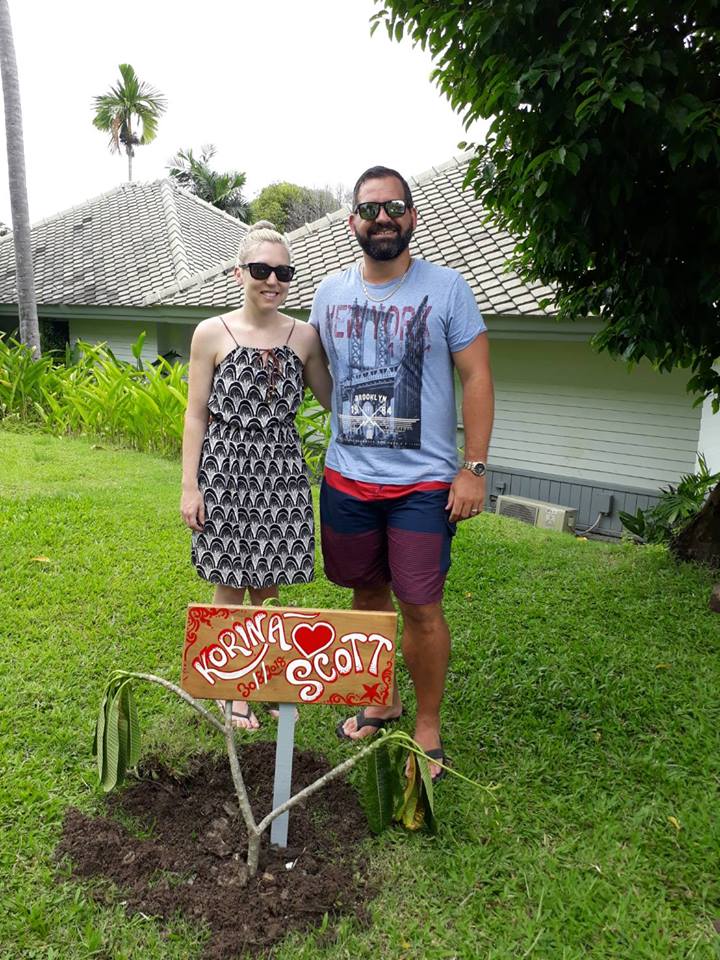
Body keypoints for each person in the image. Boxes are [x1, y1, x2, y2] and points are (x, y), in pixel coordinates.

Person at [309, 166, 494, 780]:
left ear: (411, 216)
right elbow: (317, 371)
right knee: (366, 595)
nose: (381, 218)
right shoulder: (329, 294)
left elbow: (477, 378)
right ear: (351, 222)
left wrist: (473, 468)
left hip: (423, 484)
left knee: (420, 606)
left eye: (394, 207)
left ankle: (427, 726)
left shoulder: (447, 290)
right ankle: (378, 698)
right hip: (347, 478)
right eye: (369, 209)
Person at [181, 221, 331, 729]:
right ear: (239, 271)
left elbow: (334, 398)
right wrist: (189, 486)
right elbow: (196, 413)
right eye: (262, 270)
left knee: (269, 585)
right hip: (224, 470)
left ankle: (265, 677)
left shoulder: (304, 336)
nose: (273, 280)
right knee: (228, 582)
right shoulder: (210, 333)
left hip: (282, 472)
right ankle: (232, 690)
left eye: (283, 271)